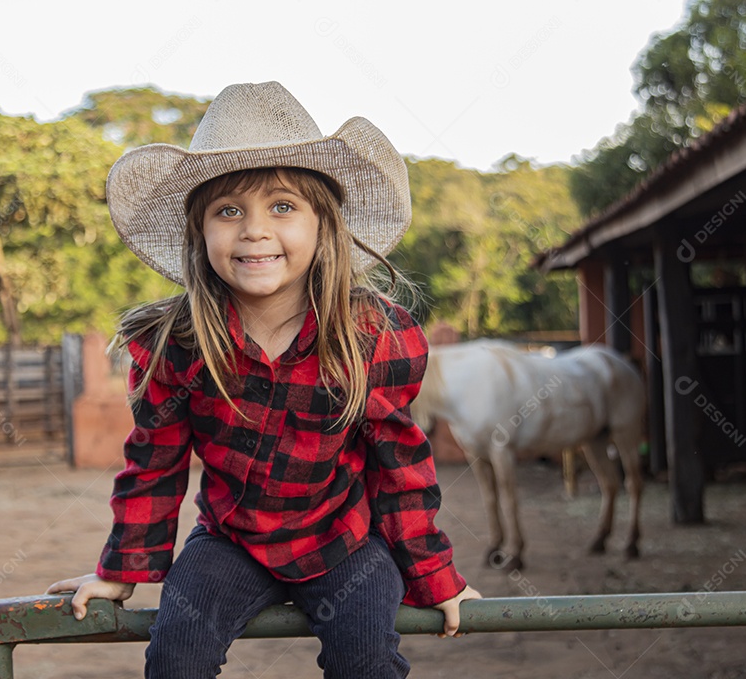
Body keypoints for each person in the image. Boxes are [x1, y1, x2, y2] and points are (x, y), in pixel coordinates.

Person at [48, 81, 480, 678]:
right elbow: (156, 460)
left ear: (323, 225)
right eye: (229, 211)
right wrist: (121, 571)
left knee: (368, 661)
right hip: (231, 543)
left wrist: (435, 578)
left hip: (344, 542)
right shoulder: (176, 342)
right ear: (200, 232)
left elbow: (400, 467)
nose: (253, 230)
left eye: (282, 207)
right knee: (176, 652)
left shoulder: (372, 334)